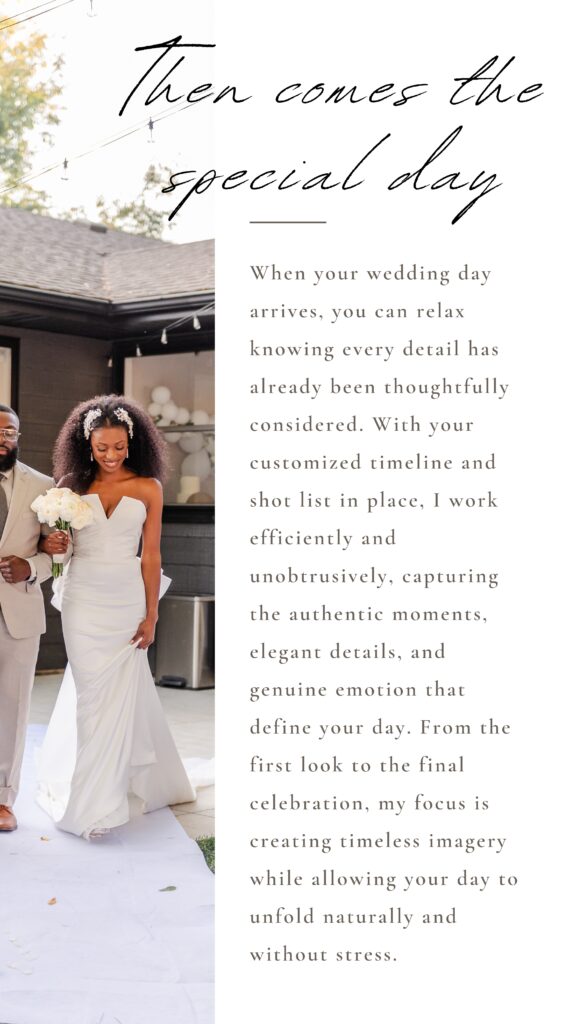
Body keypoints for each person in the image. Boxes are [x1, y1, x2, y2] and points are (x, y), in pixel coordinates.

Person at [37, 395, 195, 839]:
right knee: (92, 698)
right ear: (87, 444)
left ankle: (113, 789)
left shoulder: (149, 488)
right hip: (83, 599)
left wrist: (152, 615)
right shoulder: (70, 485)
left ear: (132, 442)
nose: (111, 455)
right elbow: (62, 544)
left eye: (120, 447)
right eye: (103, 447)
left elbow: (151, 556)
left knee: (120, 696)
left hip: (126, 601)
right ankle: (93, 801)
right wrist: (57, 546)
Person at [0, 404, 53, 833]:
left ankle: (3, 800)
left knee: (13, 708)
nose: (4, 439)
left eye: (11, 432)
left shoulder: (43, 486)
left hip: (17, 610)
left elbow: (62, 552)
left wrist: (31, 567)